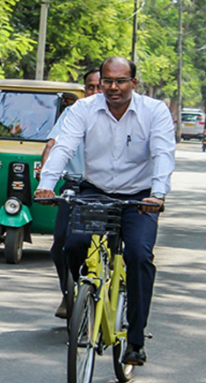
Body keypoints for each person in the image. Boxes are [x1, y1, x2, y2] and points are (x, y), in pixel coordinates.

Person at [35, 56, 175, 366]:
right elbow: (64, 146)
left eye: (120, 81)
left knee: (139, 256)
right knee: (72, 244)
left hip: (140, 197)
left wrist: (158, 193)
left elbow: (163, 152)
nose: (113, 87)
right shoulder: (83, 109)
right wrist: (47, 183)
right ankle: (88, 293)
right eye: (108, 81)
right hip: (95, 191)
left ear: (133, 84)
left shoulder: (154, 111)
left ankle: (136, 338)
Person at [39, 69, 102, 319]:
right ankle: (70, 293)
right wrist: (46, 182)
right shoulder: (73, 112)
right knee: (61, 245)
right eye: (90, 87)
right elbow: (53, 144)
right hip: (74, 187)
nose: (95, 92)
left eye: (100, 86)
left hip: (110, 191)